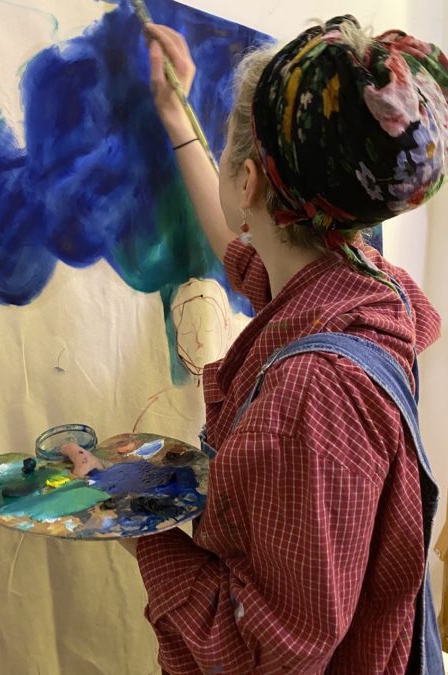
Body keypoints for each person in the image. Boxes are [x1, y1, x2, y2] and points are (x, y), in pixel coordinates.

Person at [119, 15, 448, 674]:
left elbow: (265, 656)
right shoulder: (365, 285)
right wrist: (177, 114)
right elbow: (247, 252)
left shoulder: (310, 396)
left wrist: (134, 521)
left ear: (247, 184)